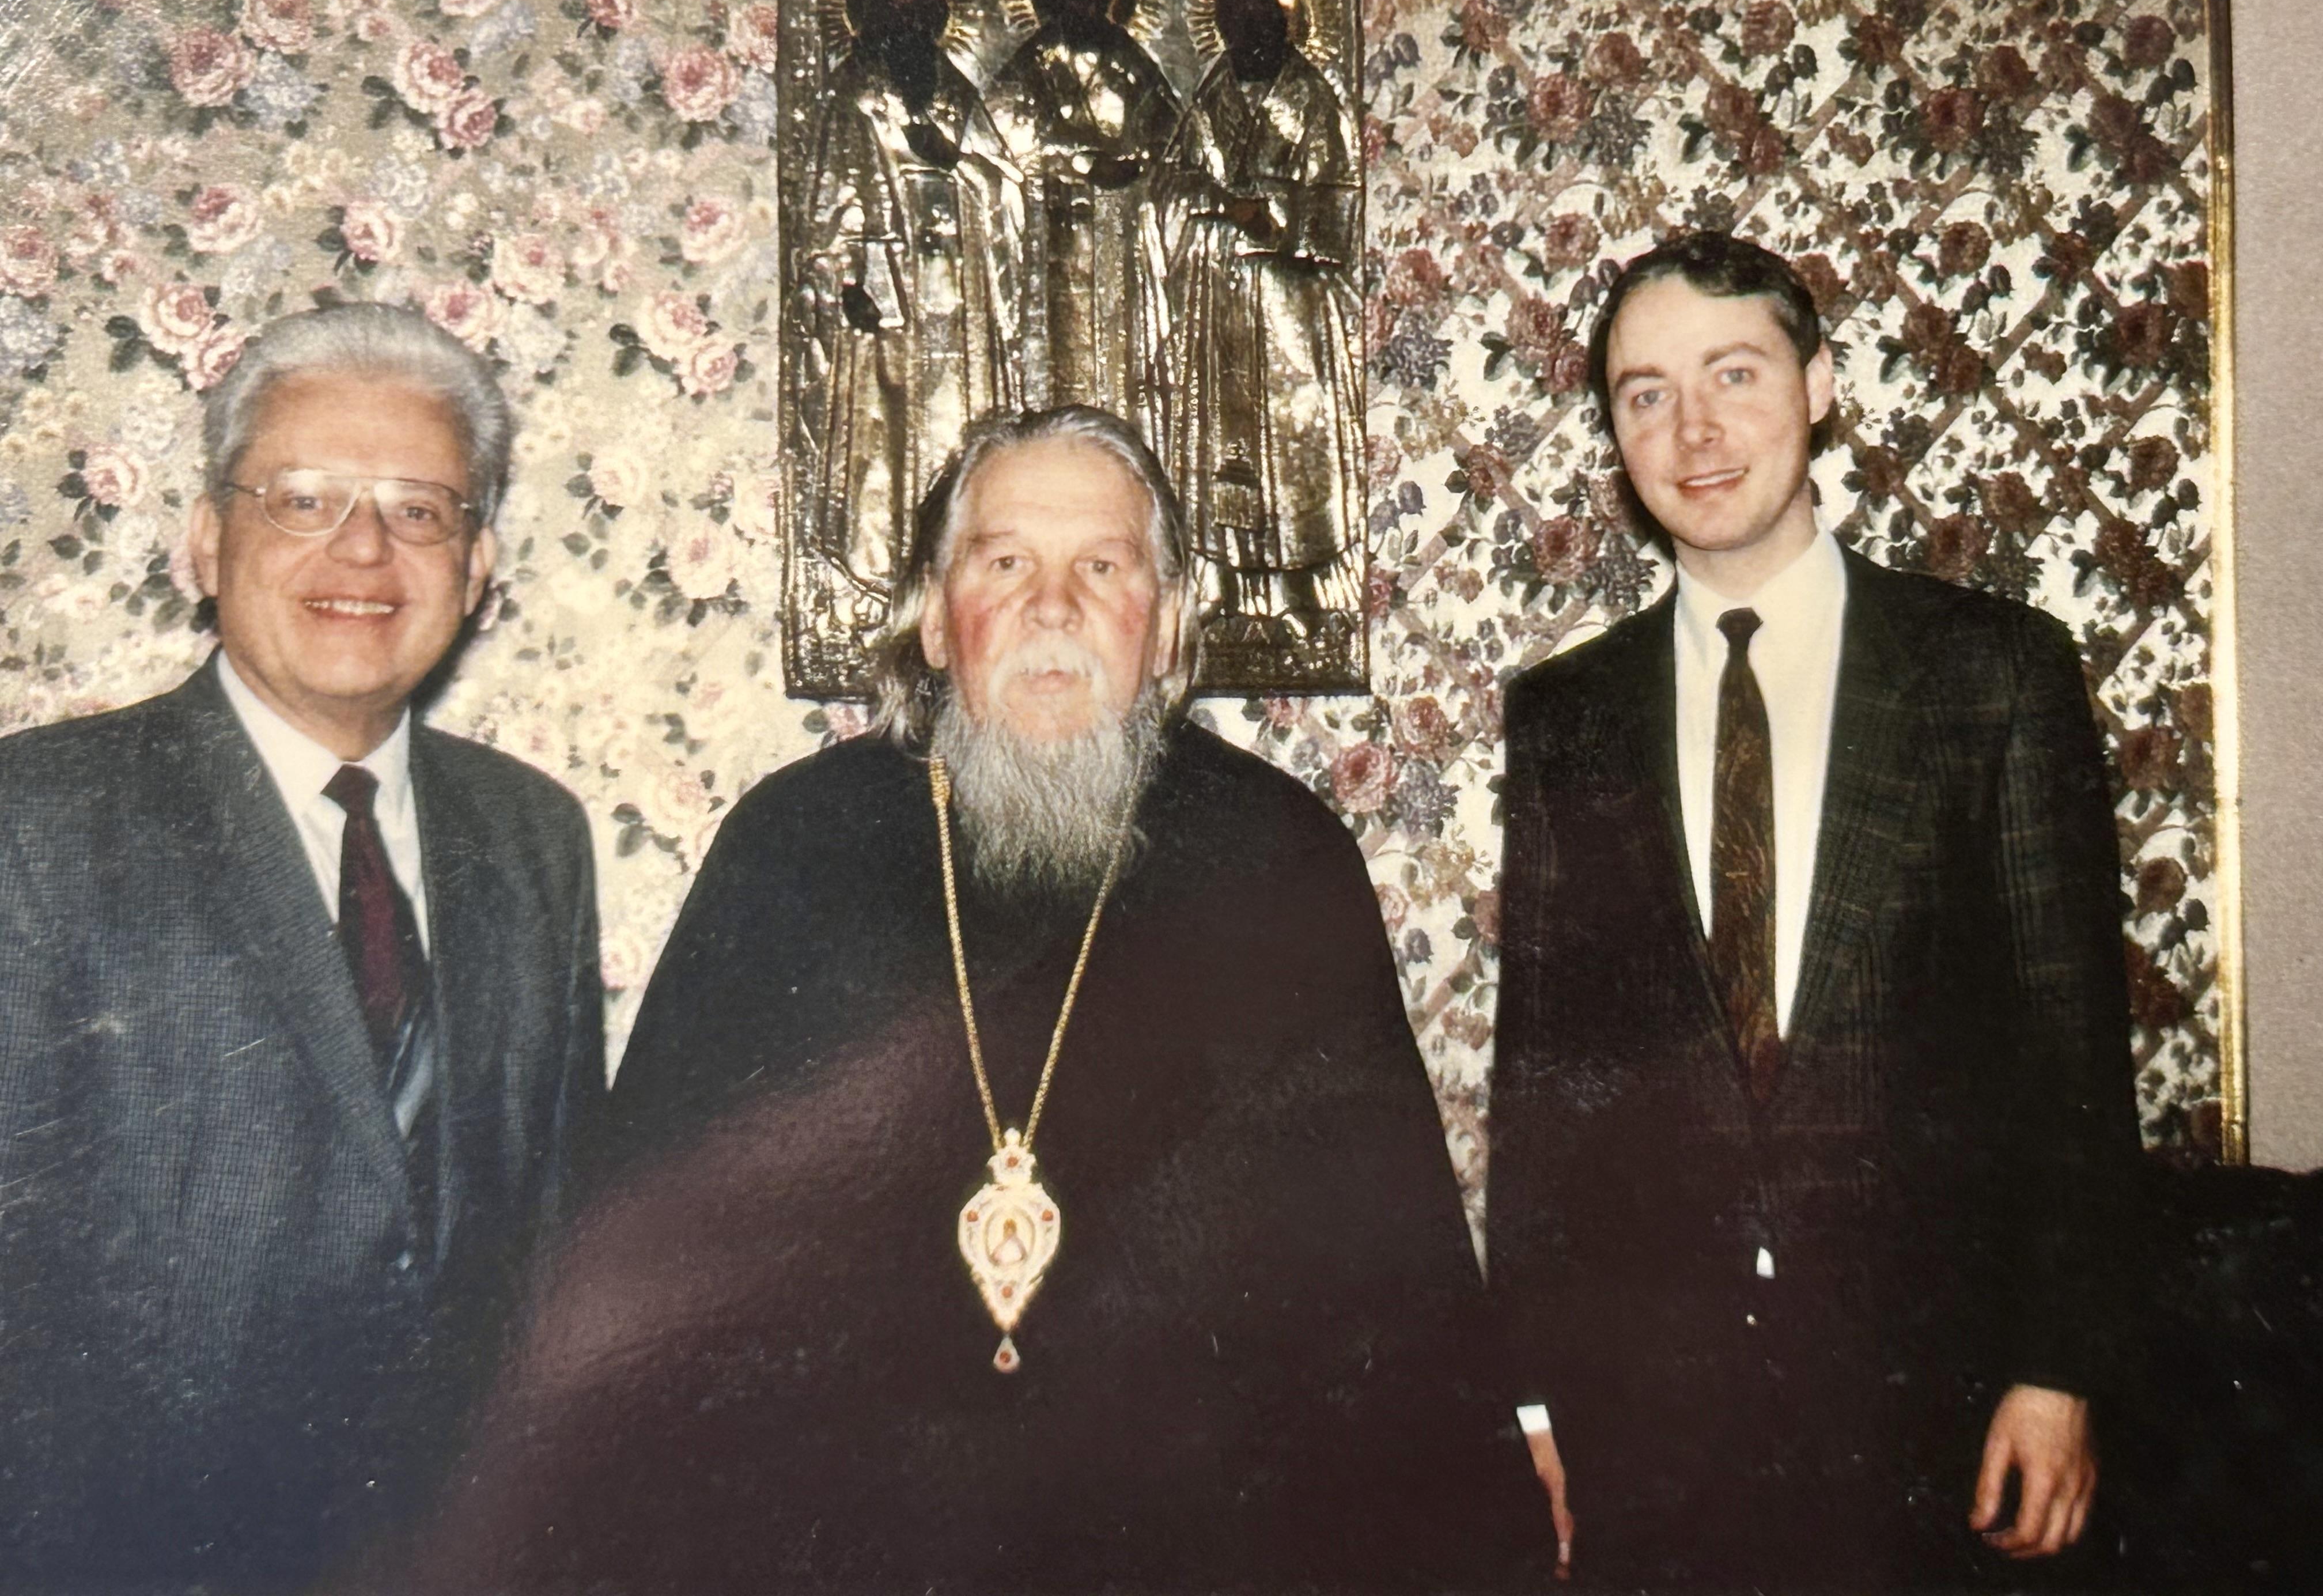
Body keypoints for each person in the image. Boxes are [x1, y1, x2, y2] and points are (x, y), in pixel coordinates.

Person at [411, 405, 1543, 1593]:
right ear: (935, 621)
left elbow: (1392, 1288)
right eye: (1005, 563)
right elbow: (653, 1296)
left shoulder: (1278, 858)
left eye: (1101, 568)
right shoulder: (795, 846)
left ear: (1166, 626)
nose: (1053, 608)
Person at [1489, 232, 2141, 1588]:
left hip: (1938, 1408)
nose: (1695, 430)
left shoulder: (1995, 676)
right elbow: (1544, 1081)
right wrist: (1532, 1401)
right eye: (1648, 394)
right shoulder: (1566, 717)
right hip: (1653, 1422)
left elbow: (2073, 1064)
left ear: (1821, 383)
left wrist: (2059, 1370)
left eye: (1735, 373)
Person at [0, 302, 606, 1592]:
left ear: (478, 564)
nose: (364, 549)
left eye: (418, 509)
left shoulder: (535, 837)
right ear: (206, 542)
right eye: (304, 500)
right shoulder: (37, 826)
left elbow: (555, 1256)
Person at [800, 0, 1023, 607]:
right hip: (887, 289)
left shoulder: (953, 91)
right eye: (895, 16)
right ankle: (884, 576)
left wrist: (955, 161)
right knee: (886, 428)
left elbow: (1004, 179)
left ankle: (963, 576)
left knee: (960, 425)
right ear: (872, 21)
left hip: (960, 292)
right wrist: (845, 282)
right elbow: (828, 198)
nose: (908, 29)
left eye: (919, 17)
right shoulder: (853, 93)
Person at [1157, 0, 1363, 648]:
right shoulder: (1211, 94)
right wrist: (1216, 204)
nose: (1252, 37)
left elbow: (1337, 192)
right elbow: (1174, 179)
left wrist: (1273, 214)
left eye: (1264, 24)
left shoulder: (1312, 98)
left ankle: (1299, 587)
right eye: (1239, 26)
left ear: (1285, 26)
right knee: (1217, 436)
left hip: (1286, 296)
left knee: (1290, 434)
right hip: (1219, 291)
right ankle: (1222, 578)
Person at [985, 0, 1179, 424]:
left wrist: (1138, 163)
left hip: (1123, 223)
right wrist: (1081, 162)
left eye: (1100, 0)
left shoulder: (1129, 59)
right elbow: (1002, 137)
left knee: (1122, 343)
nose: (1090, 10)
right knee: (1058, 344)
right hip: (1054, 222)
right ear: (1059, 0)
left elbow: (1172, 135)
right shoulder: (1036, 61)